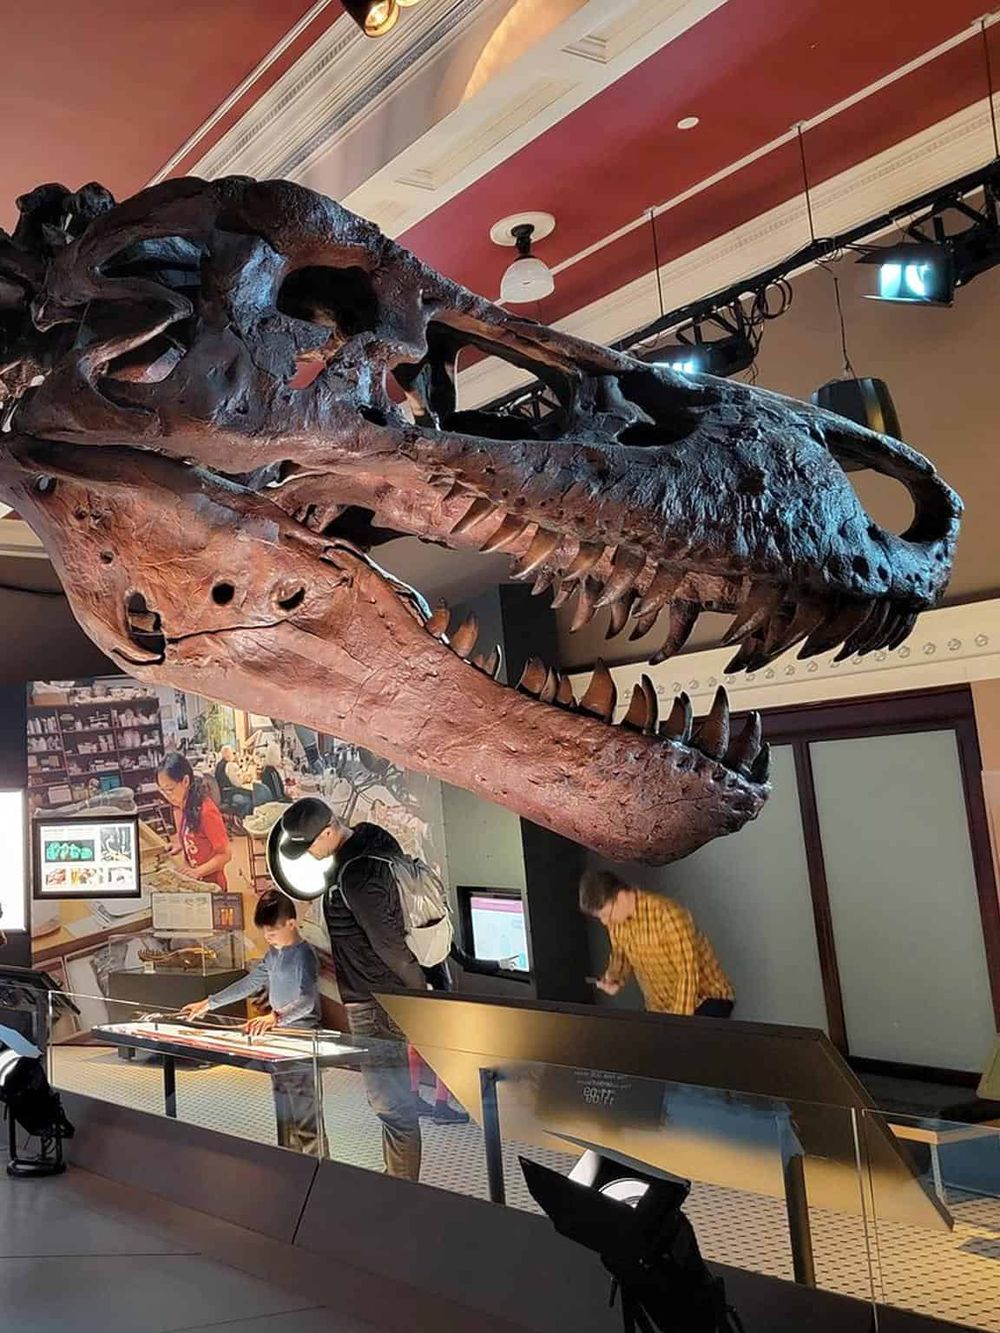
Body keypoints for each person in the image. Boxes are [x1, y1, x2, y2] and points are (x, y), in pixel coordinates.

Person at [279, 796, 424, 1181]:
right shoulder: (369, 843)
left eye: (309, 845)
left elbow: (390, 946)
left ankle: (403, 1193)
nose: (307, 855)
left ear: (328, 831)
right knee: (391, 1105)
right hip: (380, 996)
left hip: (377, 1002)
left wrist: (423, 997)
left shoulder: (357, 875)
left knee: (392, 1106)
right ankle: (397, 1180)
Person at [180, 890, 325, 1155]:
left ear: (291, 923)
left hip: (300, 1039)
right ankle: (289, 1165)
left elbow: (307, 1001)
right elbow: (249, 983)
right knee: (284, 1114)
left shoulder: (304, 955)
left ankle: (318, 1170)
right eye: (265, 933)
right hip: (278, 1037)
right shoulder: (273, 954)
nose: (268, 937)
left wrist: (275, 1017)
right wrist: (208, 1003)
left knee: (305, 1115)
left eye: (272, 932)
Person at [579, 869, 734, 1018]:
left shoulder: (668, 914)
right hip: (660, 1007)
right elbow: (621, 954)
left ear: (621, 897)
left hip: (706, 999)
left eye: (606, 914)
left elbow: (687, 973)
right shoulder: (616, 923)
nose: (605, 922)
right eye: (600, 917)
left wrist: (676, 1024)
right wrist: (614, 977)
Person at [157, 753, 232, 889]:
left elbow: (225, 855)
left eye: (169, 790)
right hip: (196, 881)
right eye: (162, 791)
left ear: (185, 781)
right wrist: (181, 844)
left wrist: (197, 872)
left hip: (213, 885)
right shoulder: (181, 805)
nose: (167, 796)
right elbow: (192, 833)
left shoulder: (207, 811)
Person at [215, 744, 253, 818]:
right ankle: (243, 819)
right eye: (233, 753)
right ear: (228, 754)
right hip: (230, 795)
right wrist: (245, 779)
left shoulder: (219, 765)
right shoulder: (230, 765)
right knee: (250, 799)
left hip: (222, 795)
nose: (234, 755)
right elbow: (237, 783)